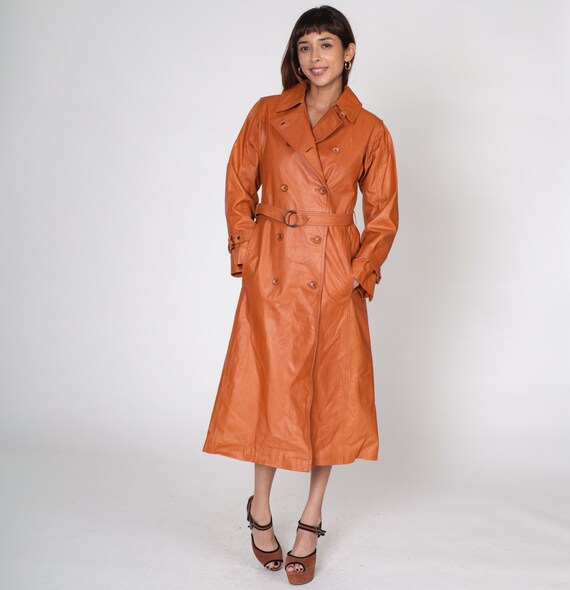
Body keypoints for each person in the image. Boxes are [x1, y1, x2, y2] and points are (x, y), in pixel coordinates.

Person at [202, 5, 399, 584]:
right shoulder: (267, 112)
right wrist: (248, 253)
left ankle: (311, 518)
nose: (315, 57)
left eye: (326, 45)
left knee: (327, 397)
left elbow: (383, 216)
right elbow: (239, 184)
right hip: (275, 269)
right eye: (305, 46)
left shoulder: (370, 128)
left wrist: (357, 275)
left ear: (349, 52)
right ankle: (260, 509)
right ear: (296, 55)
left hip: (333, 272)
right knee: (272, 387)